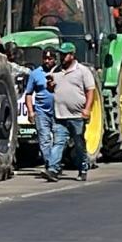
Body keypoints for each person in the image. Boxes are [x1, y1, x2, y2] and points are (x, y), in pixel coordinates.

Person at [47, 41, 97, 182]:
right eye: (60, 54)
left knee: (79, 144)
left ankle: (83, 168)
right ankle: (53, 169)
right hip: (60, 114)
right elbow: (51, 88)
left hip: (76, 115)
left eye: (65, 54)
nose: (62, 57)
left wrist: (87, 109)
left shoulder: (82, 71)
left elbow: (90, 91)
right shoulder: (55, 71)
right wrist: (49, 86)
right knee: (58, 142)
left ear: (72, 55)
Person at [24, 47, 60, 179]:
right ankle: (51, 165)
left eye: (50, 58)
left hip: (59, 112)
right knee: (44, 140)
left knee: (59, 139)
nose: (47, 61)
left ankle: (54, 164)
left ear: (55, 59)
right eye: (45, 58)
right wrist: (30, 112)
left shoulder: (61, 72)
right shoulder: (35, 74)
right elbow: (28, 94)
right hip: (41, 112)